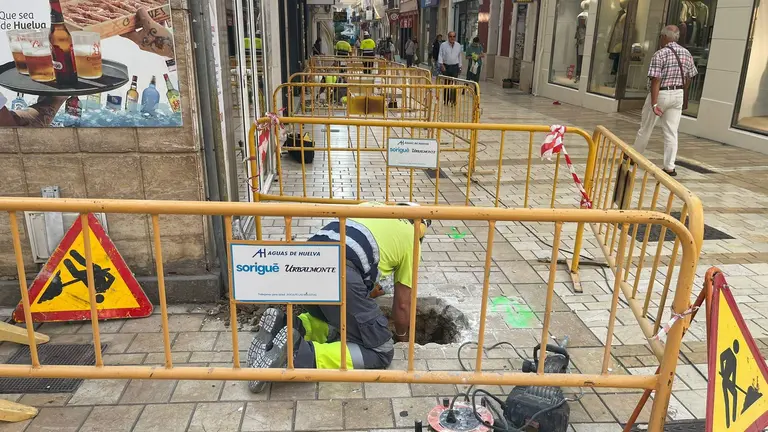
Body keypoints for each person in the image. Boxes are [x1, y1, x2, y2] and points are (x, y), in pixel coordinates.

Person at [247, 203, 430, 393]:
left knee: (340, 324)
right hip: (339, 272)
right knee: (381, 351)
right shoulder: (412, 238)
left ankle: (286, 325)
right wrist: (403, 339)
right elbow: (402, 305)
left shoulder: (372, 207)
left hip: (303, 262)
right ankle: (296, 353)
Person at [631, 25, 696, 177]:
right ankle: (669, 166)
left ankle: (635, 157)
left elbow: (656, 79)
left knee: (646, 127)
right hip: (678, 94)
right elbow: (689, 77)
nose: (660, 39)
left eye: (661, 36)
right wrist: (681, 90)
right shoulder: (686, 53)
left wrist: (654, 103)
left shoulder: (660, 54)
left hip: (661, 94)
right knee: (671, 132)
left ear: (665, 37)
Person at [438, 31, 462, 105]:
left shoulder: (458, 45)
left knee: (454, 84)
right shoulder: (443, 45)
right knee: (447, 84)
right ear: (448, 37)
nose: (452, 38)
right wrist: (441, 65)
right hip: (446, 66)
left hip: (455, 66)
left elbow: (459, 56)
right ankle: (446, 100)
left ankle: (453, 101)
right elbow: (440, 55)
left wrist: (460, 66)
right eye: (451, 36)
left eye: (454, 36)